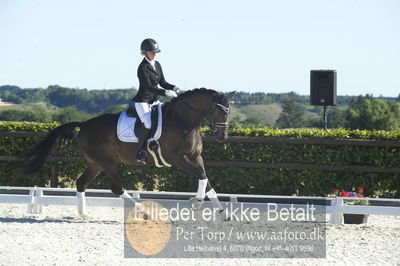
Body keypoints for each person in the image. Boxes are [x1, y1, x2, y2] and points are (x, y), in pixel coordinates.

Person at [132, 38, 179, 164]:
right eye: (152, 52)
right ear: (145, 52)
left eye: (155, 52)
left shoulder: (157, 64)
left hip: (154, 101)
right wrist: (165, 92)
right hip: (143, 101)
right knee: (148, 124)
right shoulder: (142, 68)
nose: (154, 54)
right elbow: (149, 87)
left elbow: (162, 82)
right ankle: (140, 152)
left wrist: (173, 87)